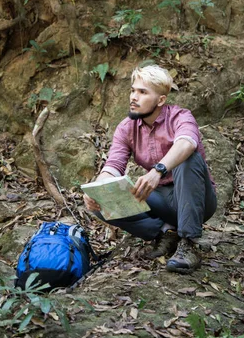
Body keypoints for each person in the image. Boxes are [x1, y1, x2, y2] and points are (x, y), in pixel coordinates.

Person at [83, 64, 217, 273]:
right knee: (101, 204)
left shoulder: (180, 117)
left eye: (142, 92)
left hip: (197, 199)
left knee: (186, 159)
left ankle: (188, 243)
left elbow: (187, 143)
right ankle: (164, 233)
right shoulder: (126, 127)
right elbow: (113, 165)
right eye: (133, 90)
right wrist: (98, 190)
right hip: (162, 200)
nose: (133, 97)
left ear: (161, 100)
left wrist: (158, 171)